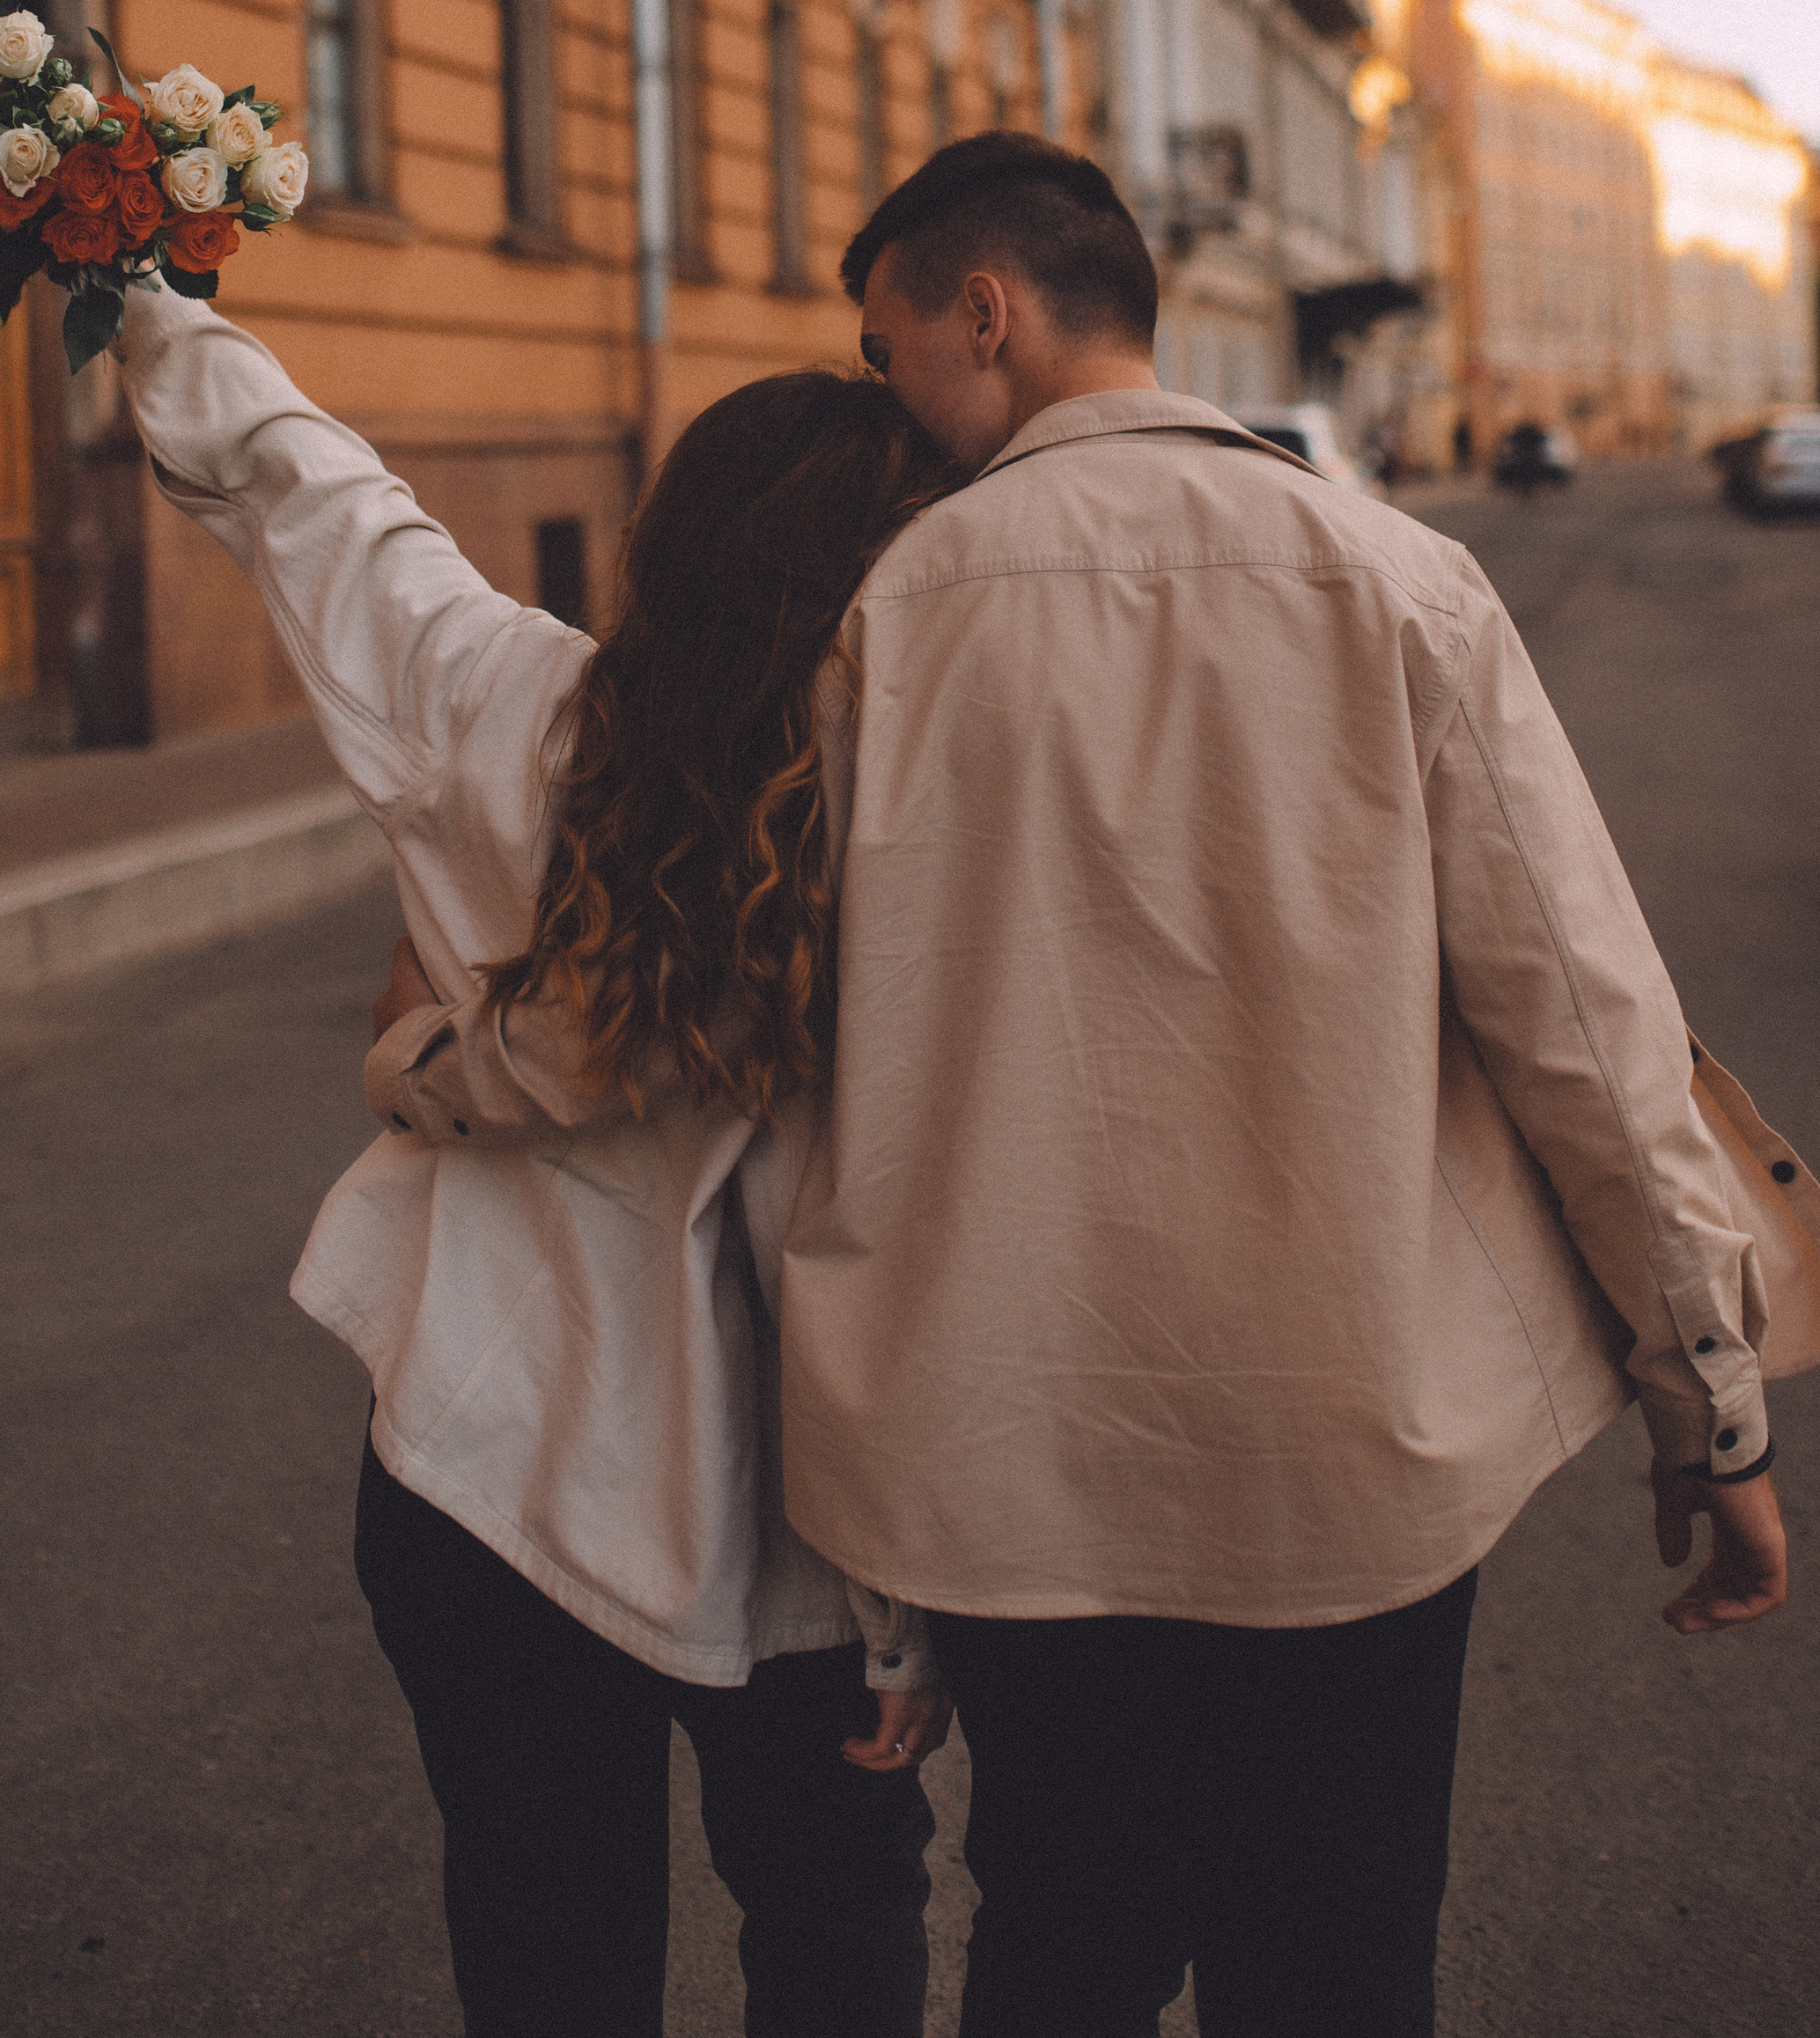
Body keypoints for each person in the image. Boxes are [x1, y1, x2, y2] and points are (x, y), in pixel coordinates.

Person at [771, 129, 1814, 2038]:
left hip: (1028, 1480)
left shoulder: (894, 617)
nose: (885, 390)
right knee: (1334, 1967)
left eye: (885, 342)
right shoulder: (1397, 581)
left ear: (981, 312)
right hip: (1352, 1472)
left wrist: (887, 1578)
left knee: (1057, 1951)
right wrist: (1711, 1409)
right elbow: (1587, 1030)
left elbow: (844, 1085)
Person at [114, 282, 951, 2038]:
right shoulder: (913, 818)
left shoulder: (509, 694)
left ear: (672, 539)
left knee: (541, 1926)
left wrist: (135, 285)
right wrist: (917, 1602)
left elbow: (320, 498)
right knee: (834, 1920)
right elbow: (921, 1236)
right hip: (804, 1527)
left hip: (480, 1454)